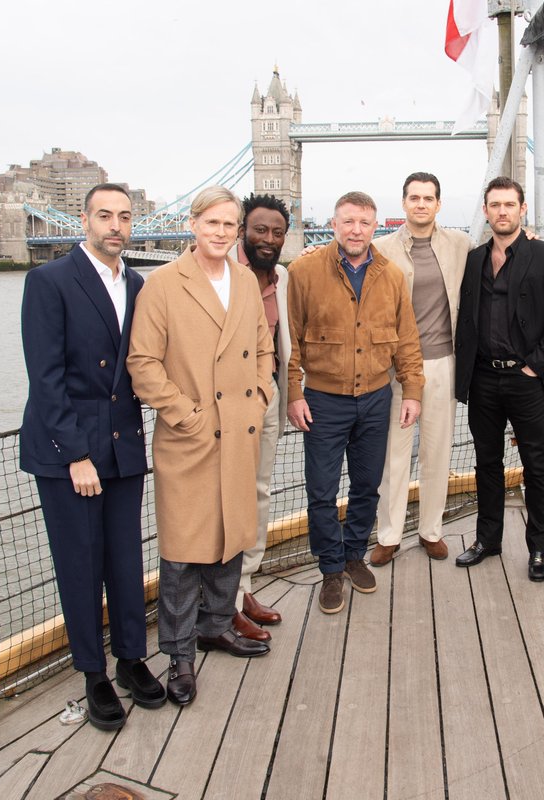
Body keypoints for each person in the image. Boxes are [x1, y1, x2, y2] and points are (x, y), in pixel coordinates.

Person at [20, 183, 166, 730]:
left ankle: (130, 659)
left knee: (126, 560)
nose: (115, 226)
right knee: (80, 566)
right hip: (70, 451)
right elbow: (46, 378)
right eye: (104, 215)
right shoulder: (49, 281)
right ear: (83, 220)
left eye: (125, 217)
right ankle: (93, 674)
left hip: (124, 442)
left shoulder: (138, 282)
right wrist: (75, 454)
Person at [128, 186, 273, 707]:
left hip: (238, 429)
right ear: (193, 225)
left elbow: (262, 346)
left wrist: (260, 397)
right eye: (211, 222)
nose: (220, 232)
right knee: (184, 553)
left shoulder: (244, 281)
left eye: (229, 224)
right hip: (189, 436)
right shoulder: (162, 285)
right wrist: (185, 414)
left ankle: (216, 627)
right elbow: (142, 363)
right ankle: (179, 655)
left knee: (231, 537)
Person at [285, 191, 425, 614]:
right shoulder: (304, 270)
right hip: (323, 400)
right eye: (348, 222)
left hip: (376, 398)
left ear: (375, 226)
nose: (356, 230)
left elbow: (407, 340)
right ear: (333, 224)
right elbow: (289, 338)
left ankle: (353, 556)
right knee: (322, 491)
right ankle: (330, 569)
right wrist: (294, 392)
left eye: (364, 222)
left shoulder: (393, 275)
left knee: (367, 486)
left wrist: (413, 390)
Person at [454, 177, 544, 581]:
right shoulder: (473, 260)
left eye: (509, 204)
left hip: (527, 380)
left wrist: (534, 366)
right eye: (495, 205)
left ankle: (539, 547)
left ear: (522, 209)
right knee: (486, 463)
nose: (502, 211)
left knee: (537, 465)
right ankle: (487, 540)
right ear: (485, 211)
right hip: (484, 378)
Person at [368, 173, 469, 566]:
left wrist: (527, 235)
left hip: (444, 362)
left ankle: (431, 530)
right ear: (404, 203)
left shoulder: (460, 244)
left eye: (429, 198)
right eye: (415, 197)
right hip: (395, 369)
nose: (421, 204)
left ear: (439, 204)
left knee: (436, 451)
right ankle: (389, 535)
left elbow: (502, 252)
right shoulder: (380, 248)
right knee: (393, 455)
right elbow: (343, 258)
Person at [229, 194, 292, 643]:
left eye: (276, 232)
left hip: (268, 394)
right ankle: (222, 600)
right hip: (228, 403)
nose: (267, 239)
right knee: (226, 499)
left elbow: (285, 341)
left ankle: (244, 586)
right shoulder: (221, 273)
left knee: (259, 493)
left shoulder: (283, 276)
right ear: (241, 231)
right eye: (259, 230)